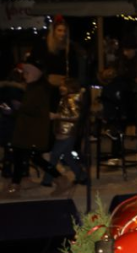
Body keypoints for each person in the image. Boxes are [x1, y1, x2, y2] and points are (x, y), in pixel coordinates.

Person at [7, 60, 62, 194]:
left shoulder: (40, 89)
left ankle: (60, 179)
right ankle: (16, 184)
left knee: (30, 156)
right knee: (23, 156)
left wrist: (20, 107)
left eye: (27, 73)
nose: (24, 75)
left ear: (35, 74)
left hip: (32, 130)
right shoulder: (32, 87)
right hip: (26, 129)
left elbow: (38, 110)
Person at [42, 77, 88, 187]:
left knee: (54, 155)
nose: (60, 87)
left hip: (67, 132)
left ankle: (47, 180)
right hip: (65, 131)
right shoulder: (67, 98)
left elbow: (75, 116)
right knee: (67, 156)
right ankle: (81, 176)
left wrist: (57, 116)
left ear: (70, 87)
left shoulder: (71, 99)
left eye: (63, 85)